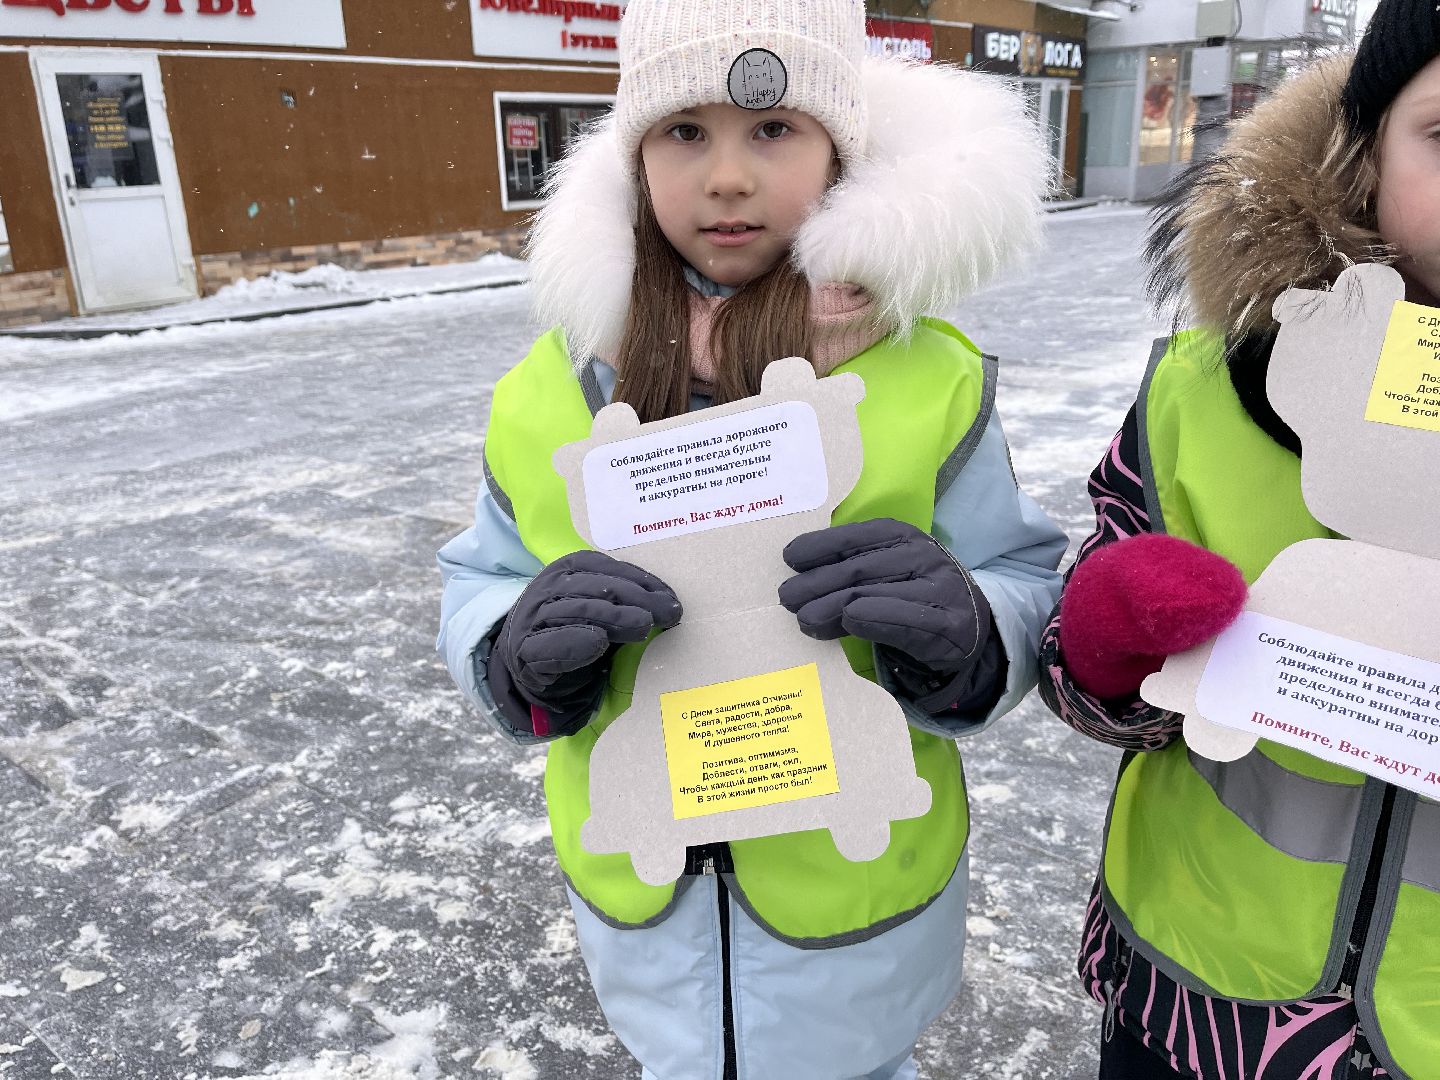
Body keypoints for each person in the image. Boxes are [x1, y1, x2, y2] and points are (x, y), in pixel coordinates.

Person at [438, 1, 1065, 1076]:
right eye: (685, 131)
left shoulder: (926, 374)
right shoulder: (549, 390)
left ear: (839, 148)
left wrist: (970, 629)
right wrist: (512, 651)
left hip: (855, 912)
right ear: (634, 155)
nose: (727, 177)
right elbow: (483, 576)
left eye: (773, 129)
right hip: (652, 917)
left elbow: (1020, 572)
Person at [1039, 6, 1440, 1078]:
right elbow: (1085, 689)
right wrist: (1103, 641)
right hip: (1199, 997)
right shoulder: (1208, 388)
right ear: (1365, 148)